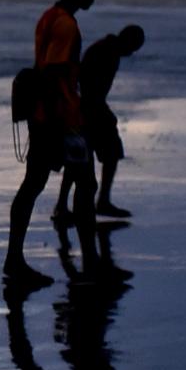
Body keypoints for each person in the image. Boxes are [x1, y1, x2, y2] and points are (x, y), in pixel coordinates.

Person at [6, 0, 124, 290]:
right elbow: (54, 74)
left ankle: (14, 260)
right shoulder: (67, 25)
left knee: (35, 186)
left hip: (44, 117)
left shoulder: (48, 17)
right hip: (59, 119)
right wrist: (66, 122)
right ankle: (89, 266)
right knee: (85, 186)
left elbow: (41, 68)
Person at [56, 23, 144, 224]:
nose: (132, 53)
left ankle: (65, 205)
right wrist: (102, 112)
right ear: (128, 42)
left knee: (79, 159)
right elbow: (90, 88)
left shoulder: (107, 49)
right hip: (87, 110)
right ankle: (98, 201)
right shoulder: (106, 52)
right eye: (133, 48)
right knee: (99, 154)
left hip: (86, 108)